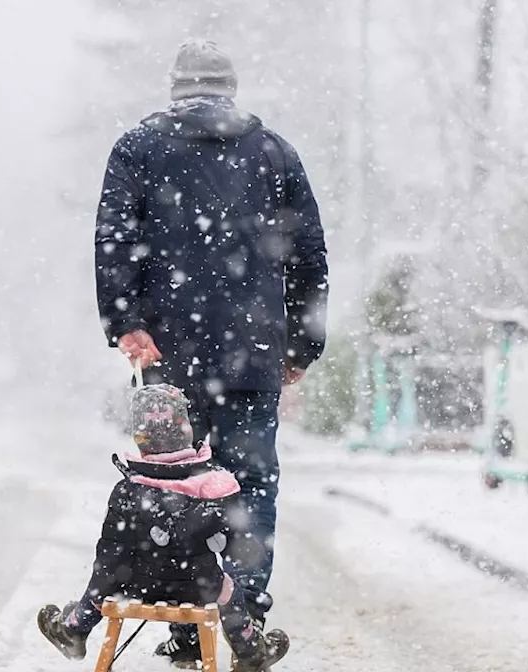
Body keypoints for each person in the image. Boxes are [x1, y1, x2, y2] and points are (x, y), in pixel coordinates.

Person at [94, 39, 329, 665]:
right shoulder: (275, 153)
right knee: (249, 485)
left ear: (176, 88)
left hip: (169, 353)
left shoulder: (137, 149)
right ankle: (243, 616)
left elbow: (116, 239)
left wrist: (127, 323)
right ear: (230, 89)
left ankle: (182, 620)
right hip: (252, 354)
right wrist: (301, 343)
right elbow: (309, 254)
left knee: (172, 486)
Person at [37, 384, 289, 671]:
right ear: (187, 429)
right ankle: (249, 650)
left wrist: (100, 591)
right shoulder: (214, 485)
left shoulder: (128, 490)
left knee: (107, 572)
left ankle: (74, 628)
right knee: (229, 589)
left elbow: (110, 556)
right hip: (200, 588)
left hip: (134, 586)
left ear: (138, 437)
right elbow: (242, 549)